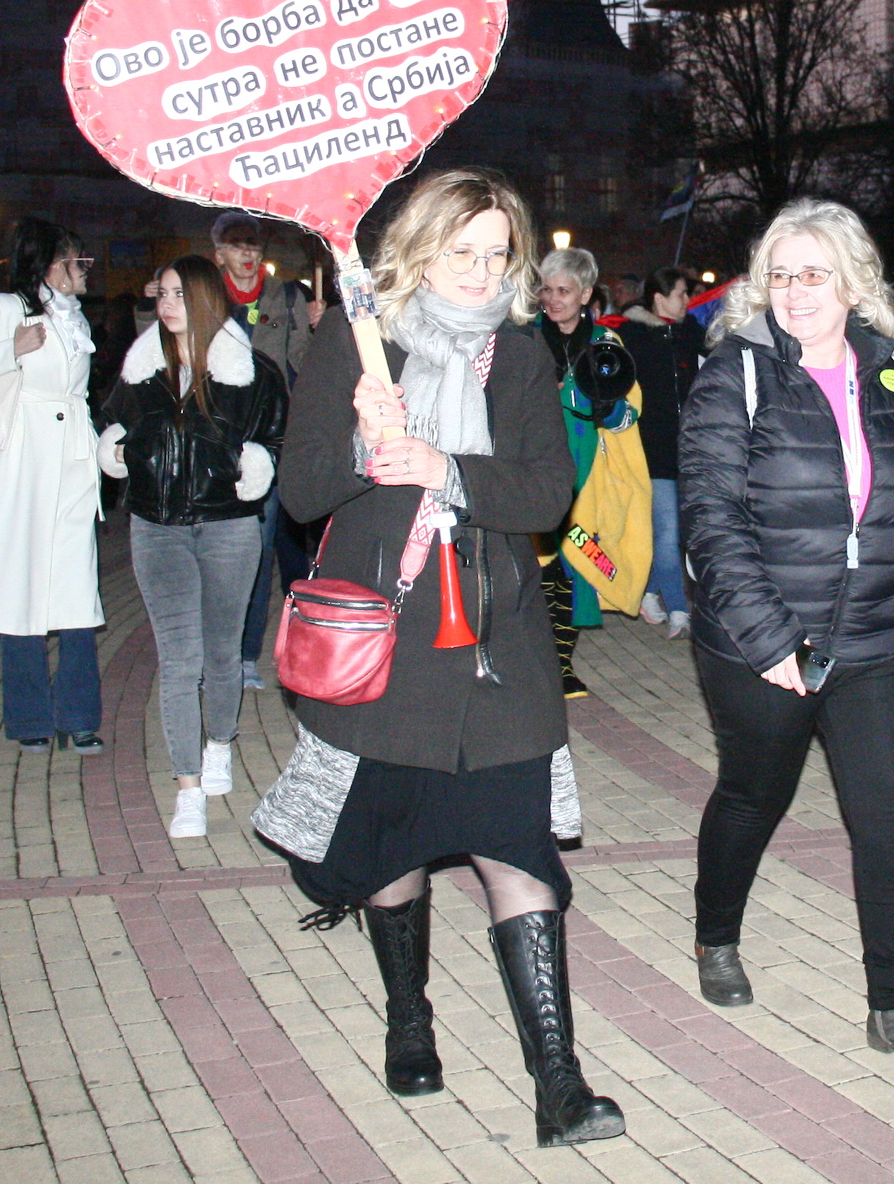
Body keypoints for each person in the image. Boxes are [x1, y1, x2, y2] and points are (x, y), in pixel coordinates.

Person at [249, 167, 621, 1149]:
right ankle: (408, 1020)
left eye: (499, 253)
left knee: (519, 851)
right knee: (394, 847)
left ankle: (560, 1083)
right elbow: (297, 490)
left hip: (497, 652)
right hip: (389, 641)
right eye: (464, 252)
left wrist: (447, 467)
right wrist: (373, 452)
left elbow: (547, 494)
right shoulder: (357, 341)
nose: (482, 271)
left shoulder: (521, 353)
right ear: (418, 249)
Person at [679, 199, 894, 1076]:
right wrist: (770, 640)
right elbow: (711, 518)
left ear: (852, 281)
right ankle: (716, 934)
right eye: (781, 273)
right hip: (763, 638)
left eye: (814, 273)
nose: (796, 290)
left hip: (878, 630)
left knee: (890, 820)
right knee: (753, 796)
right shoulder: (737, 373)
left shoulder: (892, 370)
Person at [100, 256, 288, 840]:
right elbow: (113, 424)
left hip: (230, 526)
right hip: (156, 527)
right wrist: (114, 449)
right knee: (179, 658)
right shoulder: (139, 371)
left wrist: (259, 463)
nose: (167, 303)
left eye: (180, 293)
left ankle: (218, 745)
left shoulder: (252, 372)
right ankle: (186, 787)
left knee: (223, 651)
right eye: (162, 293)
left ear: (206, 298)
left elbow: (276, 435)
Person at [0, 219, 107, 754]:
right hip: (25, 460)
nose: (86, 271)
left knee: (77, 589)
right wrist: (10, 348)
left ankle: (79, 715)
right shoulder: (8, 308)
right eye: (79, 261)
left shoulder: (74, 316)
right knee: (22, 590)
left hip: (72, 460)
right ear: (54, 264)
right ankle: (30, 719)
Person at [211, 212, 322, 693]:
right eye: (237, 246)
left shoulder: (287, 296)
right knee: (227, 552)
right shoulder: (203, 295)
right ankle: (225, 651)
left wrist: (322, 328)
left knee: (273, 550)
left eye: (253, 245)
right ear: (219, 253)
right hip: (218, 439)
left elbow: (307, 363)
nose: (247, 254)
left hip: (274, 437)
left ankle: (257, 654)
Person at [535, 244, 635, 699]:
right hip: (534, 469)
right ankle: (541, 662)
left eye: (564, 290)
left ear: (586, 293)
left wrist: (604, 407)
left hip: (588, 476)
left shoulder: (607, 346)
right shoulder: (524, 339)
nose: (553, 299)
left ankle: (561, 664)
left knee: (578, 566)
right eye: (547, 289)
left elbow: (630, 413)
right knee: (540, 568)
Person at [618, 266, 706, 638]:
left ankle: (648, 590)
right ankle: (679, 611)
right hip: (650, 450)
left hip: (688, 450)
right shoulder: (632, 336)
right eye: (681, 294)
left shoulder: (690, 333)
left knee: (674, 532)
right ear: (659, 298)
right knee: (668, 533)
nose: (688, 301)